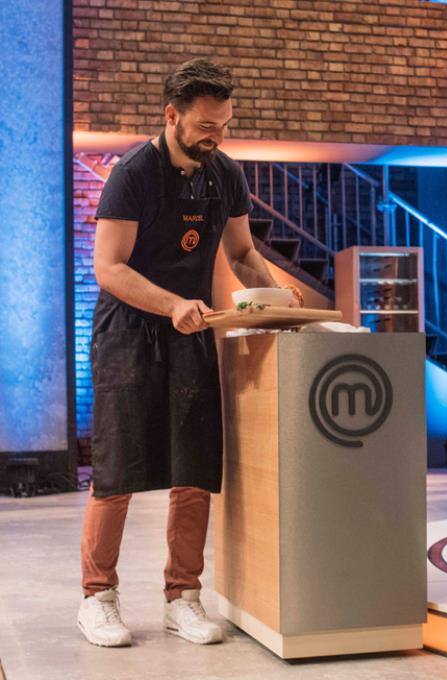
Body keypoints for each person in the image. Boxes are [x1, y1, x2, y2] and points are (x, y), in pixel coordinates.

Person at [77, 58, 303, 648]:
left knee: (194, 469)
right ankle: (97, 597)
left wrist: (276, 293)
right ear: (172, 115)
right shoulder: (132, 174)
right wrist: (172, 302)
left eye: (224, 124)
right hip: (128, 334)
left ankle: (183, 597)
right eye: (206, 125)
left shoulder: (225, 174)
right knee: (117, 470)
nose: (216, 135)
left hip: (193, 330)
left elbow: (243, 253)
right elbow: (109, 268)